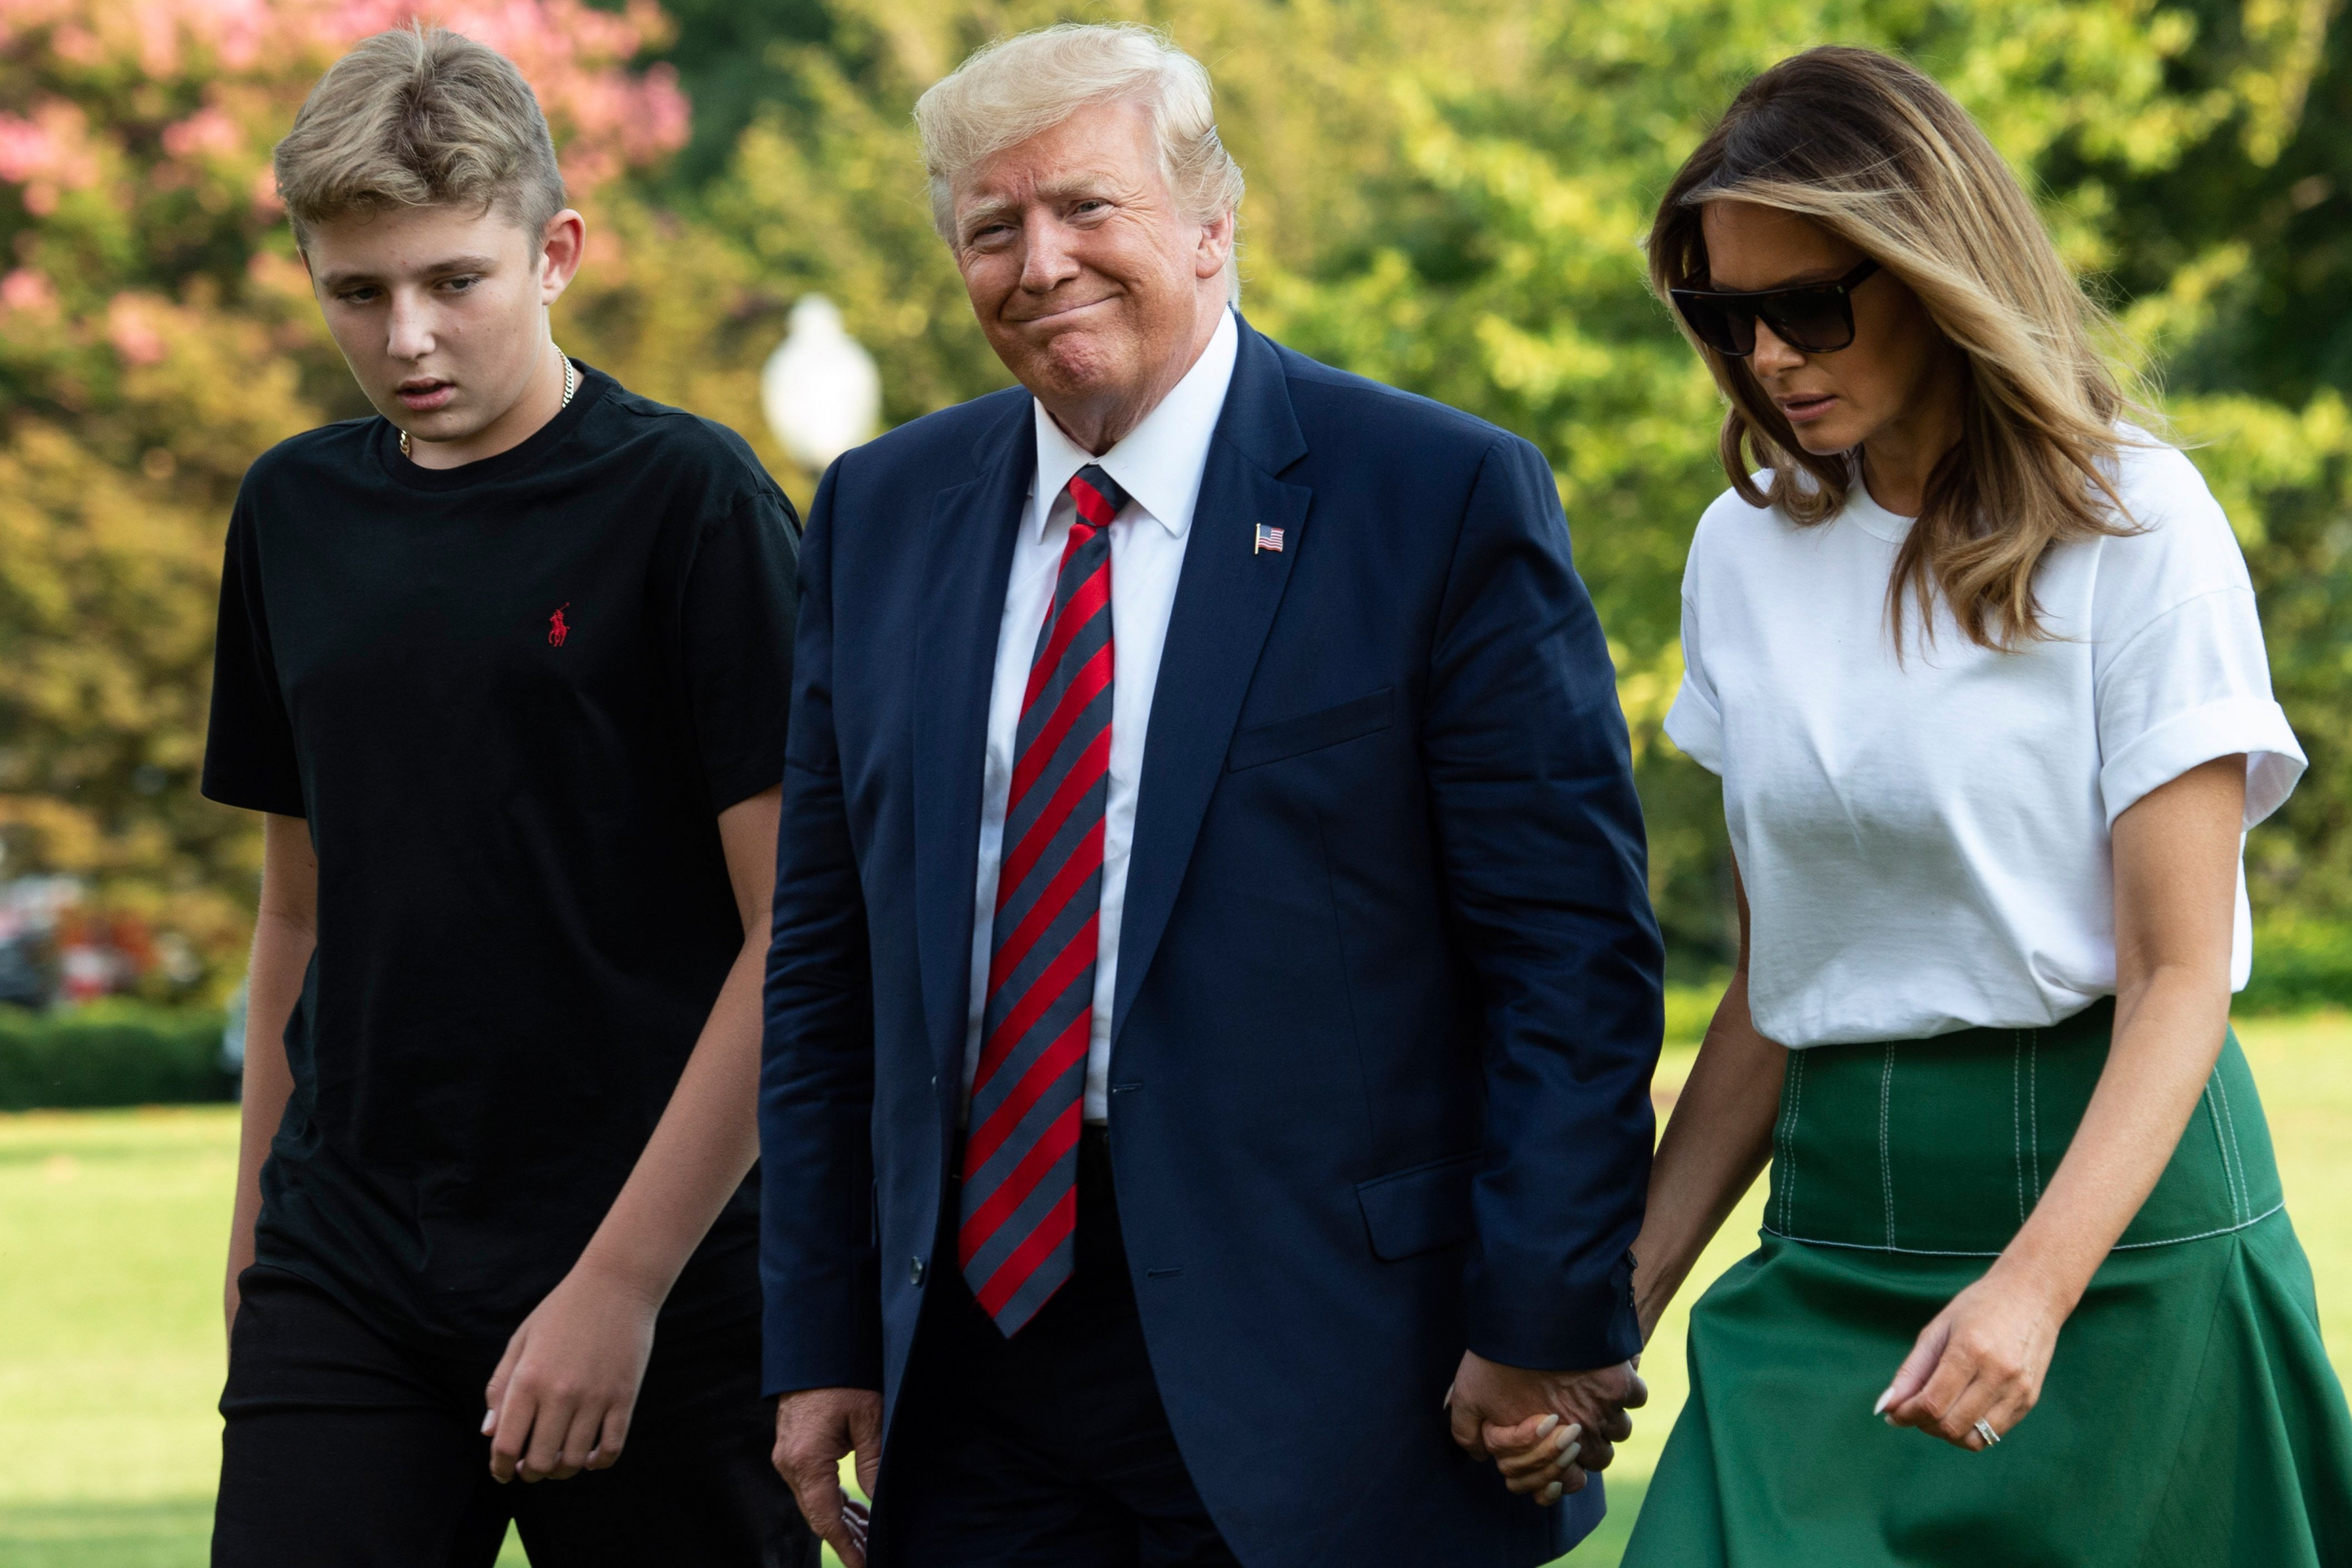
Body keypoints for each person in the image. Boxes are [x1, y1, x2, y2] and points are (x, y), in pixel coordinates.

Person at [757, 20, 1664, 1568]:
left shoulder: (1434, 499)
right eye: (994, 227)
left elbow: (1569, 960)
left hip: (1336, 1364)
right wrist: (817, 1331)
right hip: (971, 1365)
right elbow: (827, 970)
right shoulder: (880, 514)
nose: (1041, 263)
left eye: (1086, 208)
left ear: (1210, 224)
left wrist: (1546, 1313)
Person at [1491, 43, 2352, 1566]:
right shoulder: (1741, 551)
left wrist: (2036, 1284)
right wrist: (1609, 1308)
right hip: (1834, 1239)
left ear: (1933, 269)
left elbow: (2173, 978)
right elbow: (1778, 982)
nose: (1764, 354)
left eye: (1808, 304)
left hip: (2126, 1250)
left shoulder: (2140, 524)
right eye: (1720, 311)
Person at [201, 26, 815, 1566]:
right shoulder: (291, 511)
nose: (408, 335)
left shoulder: (693, 502)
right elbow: (299, 907)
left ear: (555, 253)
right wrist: (256, 1244)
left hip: (669, 1280)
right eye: (359, 291)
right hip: (348, 1270)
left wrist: (619, 1286)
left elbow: (797, 932)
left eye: (452, 281)